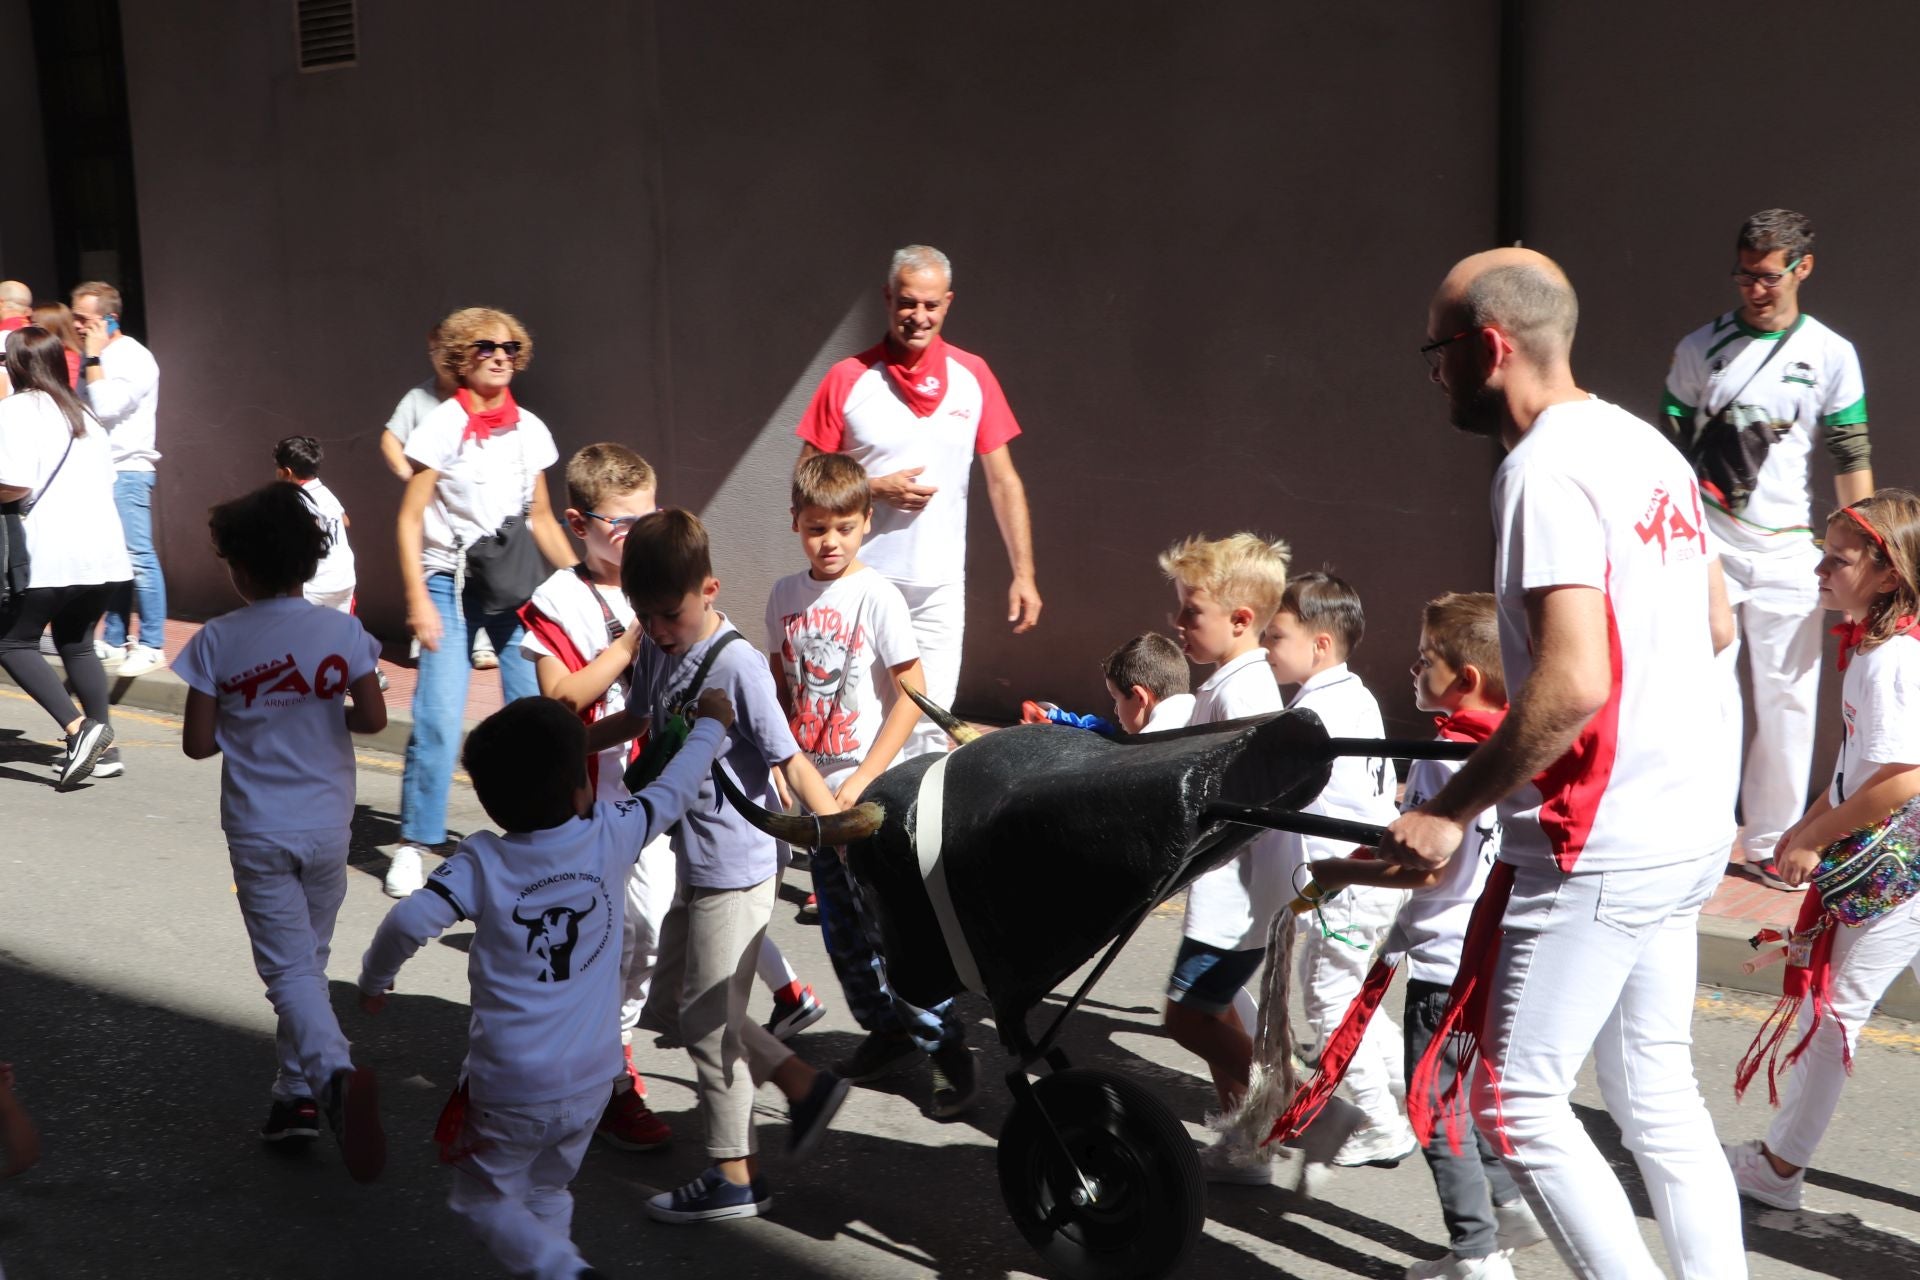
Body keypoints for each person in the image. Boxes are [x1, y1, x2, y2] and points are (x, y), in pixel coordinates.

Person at [1381, 248, 1743, 1278]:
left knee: (1518, 1098)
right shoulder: (1646, 445)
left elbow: (1574, 679)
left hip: (1600, 837)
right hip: (1684, 822)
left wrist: (1451, 808)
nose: (1437, 372)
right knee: (1659, 1093)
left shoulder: (1539, 468)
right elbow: (1715, 620)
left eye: (1439, 350)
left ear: (1489, 347)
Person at [357, 694, 730, 1278]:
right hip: (593, 1080)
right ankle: (556, 1264)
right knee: (549, 1189)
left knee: (480, 1197)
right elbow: (676, 786)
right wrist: (711, 724)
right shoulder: (614, 830)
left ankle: (564, 1270)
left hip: (510, 1087)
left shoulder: (482, 860)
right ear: (581, 789)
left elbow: (406, 920)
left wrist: (375, 982)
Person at [605, 509, 848, 1224]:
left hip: (738, 865)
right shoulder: (654, 645)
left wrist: (831, 823)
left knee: (709, 1023)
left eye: (669, 615)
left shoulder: (738, 665)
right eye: (643, 617)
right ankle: (802, 1084)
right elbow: (645, 721)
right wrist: (574, 733)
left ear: (708, 589)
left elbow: (788, 757)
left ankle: (733, 1175)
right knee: (679, 1000)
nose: (656, 630)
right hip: (690, 853)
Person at [175, 481, 388, 1180]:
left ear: (238, 567)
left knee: (288, 970)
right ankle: (292, 1095)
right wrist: (319, 707)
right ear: (310, 560)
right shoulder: (343, 632)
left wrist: (251, 711)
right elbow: (373, 721)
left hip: (259, 830)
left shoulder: (217, 640)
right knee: (311, 959)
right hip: (330, 825)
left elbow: (199, 746)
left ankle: (331, 1073)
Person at [1662, 209, 1873, 890]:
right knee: (1707, 691)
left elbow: (1848, 450)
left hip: (1789, 551)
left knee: (1789, 698)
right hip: (1708, 543)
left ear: (1801, 267)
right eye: (1744, 274)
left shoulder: (1832, 353)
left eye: (1768, 275)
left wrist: (1864, 547)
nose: (1754, 287)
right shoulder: (1701, 346)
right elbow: (1667, 449)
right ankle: (1699, 829)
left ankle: (1771, 842)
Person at [1725, 490, 1920, 1212]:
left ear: (1887, 573)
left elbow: (1902, 780)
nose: (1818, 571)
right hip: (1904, 861)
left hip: (1897, 870)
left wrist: (1814, 835)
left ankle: (1778, 1168)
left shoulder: (1891, 659)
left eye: (1836, 560)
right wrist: (1810, 820)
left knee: (1833, 1011)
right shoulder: (1882, 646)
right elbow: (1862, 762)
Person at [766, 452, 977, 1116]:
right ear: (796, 522)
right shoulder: (782, 597)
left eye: (843, 528)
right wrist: (780, 762)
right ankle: (888, 1033)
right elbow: (782, 686)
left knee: (892, 930)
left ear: (865, 525)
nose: (829, 542)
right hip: (814, 796)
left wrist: (865, 774)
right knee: (841, 932)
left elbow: (913, 694)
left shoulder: (876, 595)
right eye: (815, 528)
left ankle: (946, 1048)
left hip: (871, 797)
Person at [796, 244, 1041, 760]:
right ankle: (851, 828)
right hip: (861, 579)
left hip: (938, 586)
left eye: (931, 305)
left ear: (947, 303)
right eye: (908, 303)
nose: (919, 316)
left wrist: (1024, 574)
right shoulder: (847, 377)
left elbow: (1003, 481)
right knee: (854, 714)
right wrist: (872, 488)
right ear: (888, 298)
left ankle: (911, 834)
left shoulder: (974, 375)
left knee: (932, 718)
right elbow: (805, 478)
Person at [386, 307, 577, 899]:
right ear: (460, 359)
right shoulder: (441, 424)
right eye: (486, 346)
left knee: (536, 717)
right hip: (449, 579)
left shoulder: (531, 430)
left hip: (516, 581)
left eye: (511, 347)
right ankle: (417, 844)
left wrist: (584, 584)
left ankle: (537, 844)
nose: (501, 355)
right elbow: (410, 517)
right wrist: (418, 597)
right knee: (440, 716)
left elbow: (542, 519)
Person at [1390, 592, 1545, 1280]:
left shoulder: (1441, 752)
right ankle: (1507, 1206)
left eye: (1426, 661)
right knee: (1468, 1091)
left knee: (1431, 1103)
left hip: (1439, 961)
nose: (1414, 671)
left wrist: (1361, 863)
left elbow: (1425, 864)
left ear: (1466, 679)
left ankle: (1476, 1254)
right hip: (1491, 952)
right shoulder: (1519, 745)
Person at [1156, 531, 1299, 1184]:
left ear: (1241, 620)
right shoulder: (1233, 683)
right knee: (1216, 1011)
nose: (1178, 623)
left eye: (1191, 612)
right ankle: (1251, 1147)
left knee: (1187, 1017)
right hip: (1241, 890)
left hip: (1237, 891)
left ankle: (1291, 1107)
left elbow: (1243, 803)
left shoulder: (1240, 695)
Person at [1260, 571, 1410, 1168]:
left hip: (1347, 882)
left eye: (1277, 636)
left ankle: (1380, 1122)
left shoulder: (1313, 715)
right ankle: (1416, 1088)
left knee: (1328, 1006)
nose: (1268, 648)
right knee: (1351, 1003)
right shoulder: (1356, 696)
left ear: (1319, 644)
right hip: (1369, 879)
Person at [0, 327, 131, 788]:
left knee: (12, 642)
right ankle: (106, 748)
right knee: (76, 642)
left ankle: (79, 730)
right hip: (105, 554)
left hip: (50, 551)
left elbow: (13, 483)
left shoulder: (15, 412)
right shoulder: (85, 413)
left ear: (15, 366)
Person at [72, 282, 167, 678]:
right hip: (99, 471)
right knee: (115, 561)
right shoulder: (93, 358)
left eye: (84, 318)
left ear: (110, 318)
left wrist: (92, 357)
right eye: (74, 316)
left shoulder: (133, 358)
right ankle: (114, 637)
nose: (76, 325)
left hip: (128, 470)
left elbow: (107, 407)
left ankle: (152, 644)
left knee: (139, 558)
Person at [272, 436, 356, 612]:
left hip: (318, 584)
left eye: (277, 469)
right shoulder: (324, 492)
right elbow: (345, 521)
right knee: (337, 633)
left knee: (301, 633)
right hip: (345, 578)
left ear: (286, 472)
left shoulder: (297, 499)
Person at [28, 303, 82, 389]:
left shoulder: (68, 359)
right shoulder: (44, 353)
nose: (27, 328)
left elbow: (70, 392)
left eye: (35, 325)